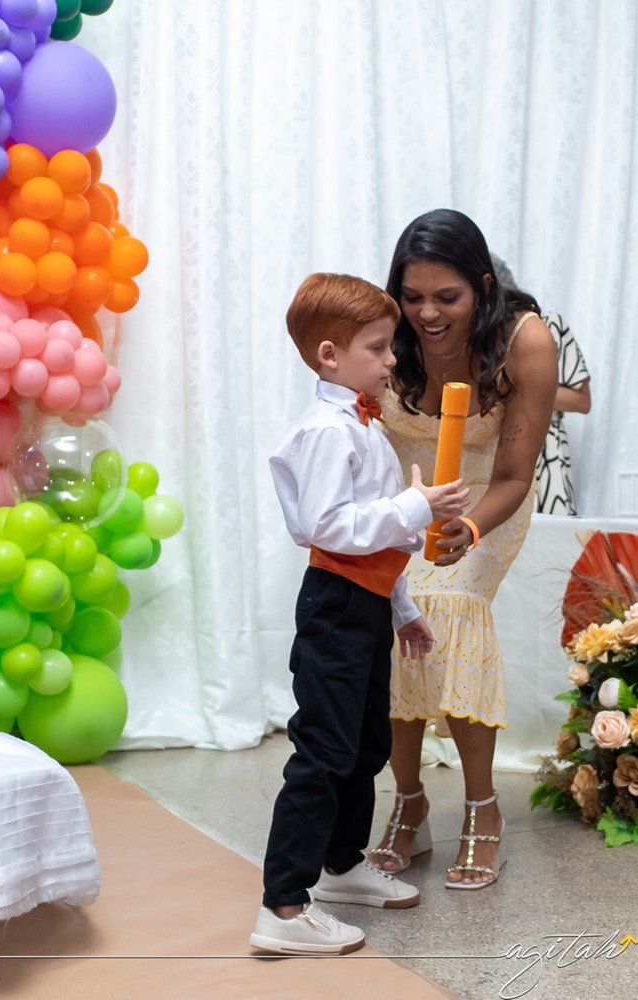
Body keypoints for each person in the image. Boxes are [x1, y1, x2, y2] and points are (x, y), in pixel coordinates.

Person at [250, 272, 469, 955]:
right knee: (323, 751)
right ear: (329, 354)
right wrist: (418, 506)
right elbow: (329, 527)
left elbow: (374, 538)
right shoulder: (325, 431)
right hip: (336, 604)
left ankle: (340, 865)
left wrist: (401, 607)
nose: (391, 359)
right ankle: (283, 906)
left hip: (367, 600)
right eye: (377, 348)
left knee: (366, 742)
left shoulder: (362, 423)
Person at [367, 209, 558, 889]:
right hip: (401, 500)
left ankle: (483, 809)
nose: (426, 314)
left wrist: (468, 529)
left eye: (446, 298)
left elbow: (515, 475)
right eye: (412, 296)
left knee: (442, 604)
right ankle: (409, 801)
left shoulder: (523, 341)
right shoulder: (382, 329)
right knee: (379, 614)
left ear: (482, 286)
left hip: (486, 499)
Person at [490, 254, 591, 515]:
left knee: (552, 537)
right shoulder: (473, 333)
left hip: (547, 454)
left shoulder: (549, 326)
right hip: (490, 450)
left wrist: (528, 385)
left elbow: (582, 400)